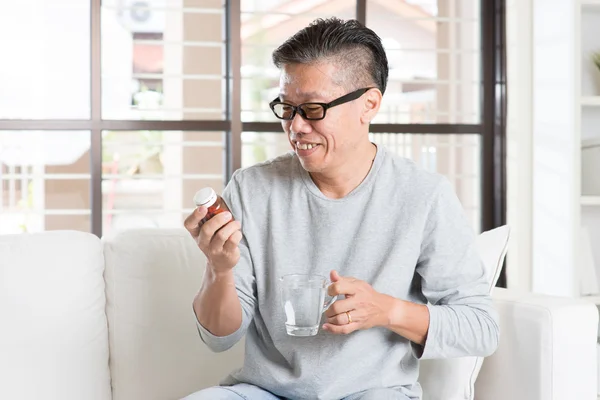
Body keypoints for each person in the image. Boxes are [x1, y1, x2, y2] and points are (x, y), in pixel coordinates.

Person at [182, 17, 499, 400]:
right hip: (264, 393)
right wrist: (219, 270)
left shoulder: (423, 195)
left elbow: (480, 327)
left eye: (313, 109)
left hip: (375, 393)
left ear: (369, 104)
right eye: (287, 108)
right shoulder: (251, 189)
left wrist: (385, 310)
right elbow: (220, 338)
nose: (295, 126)